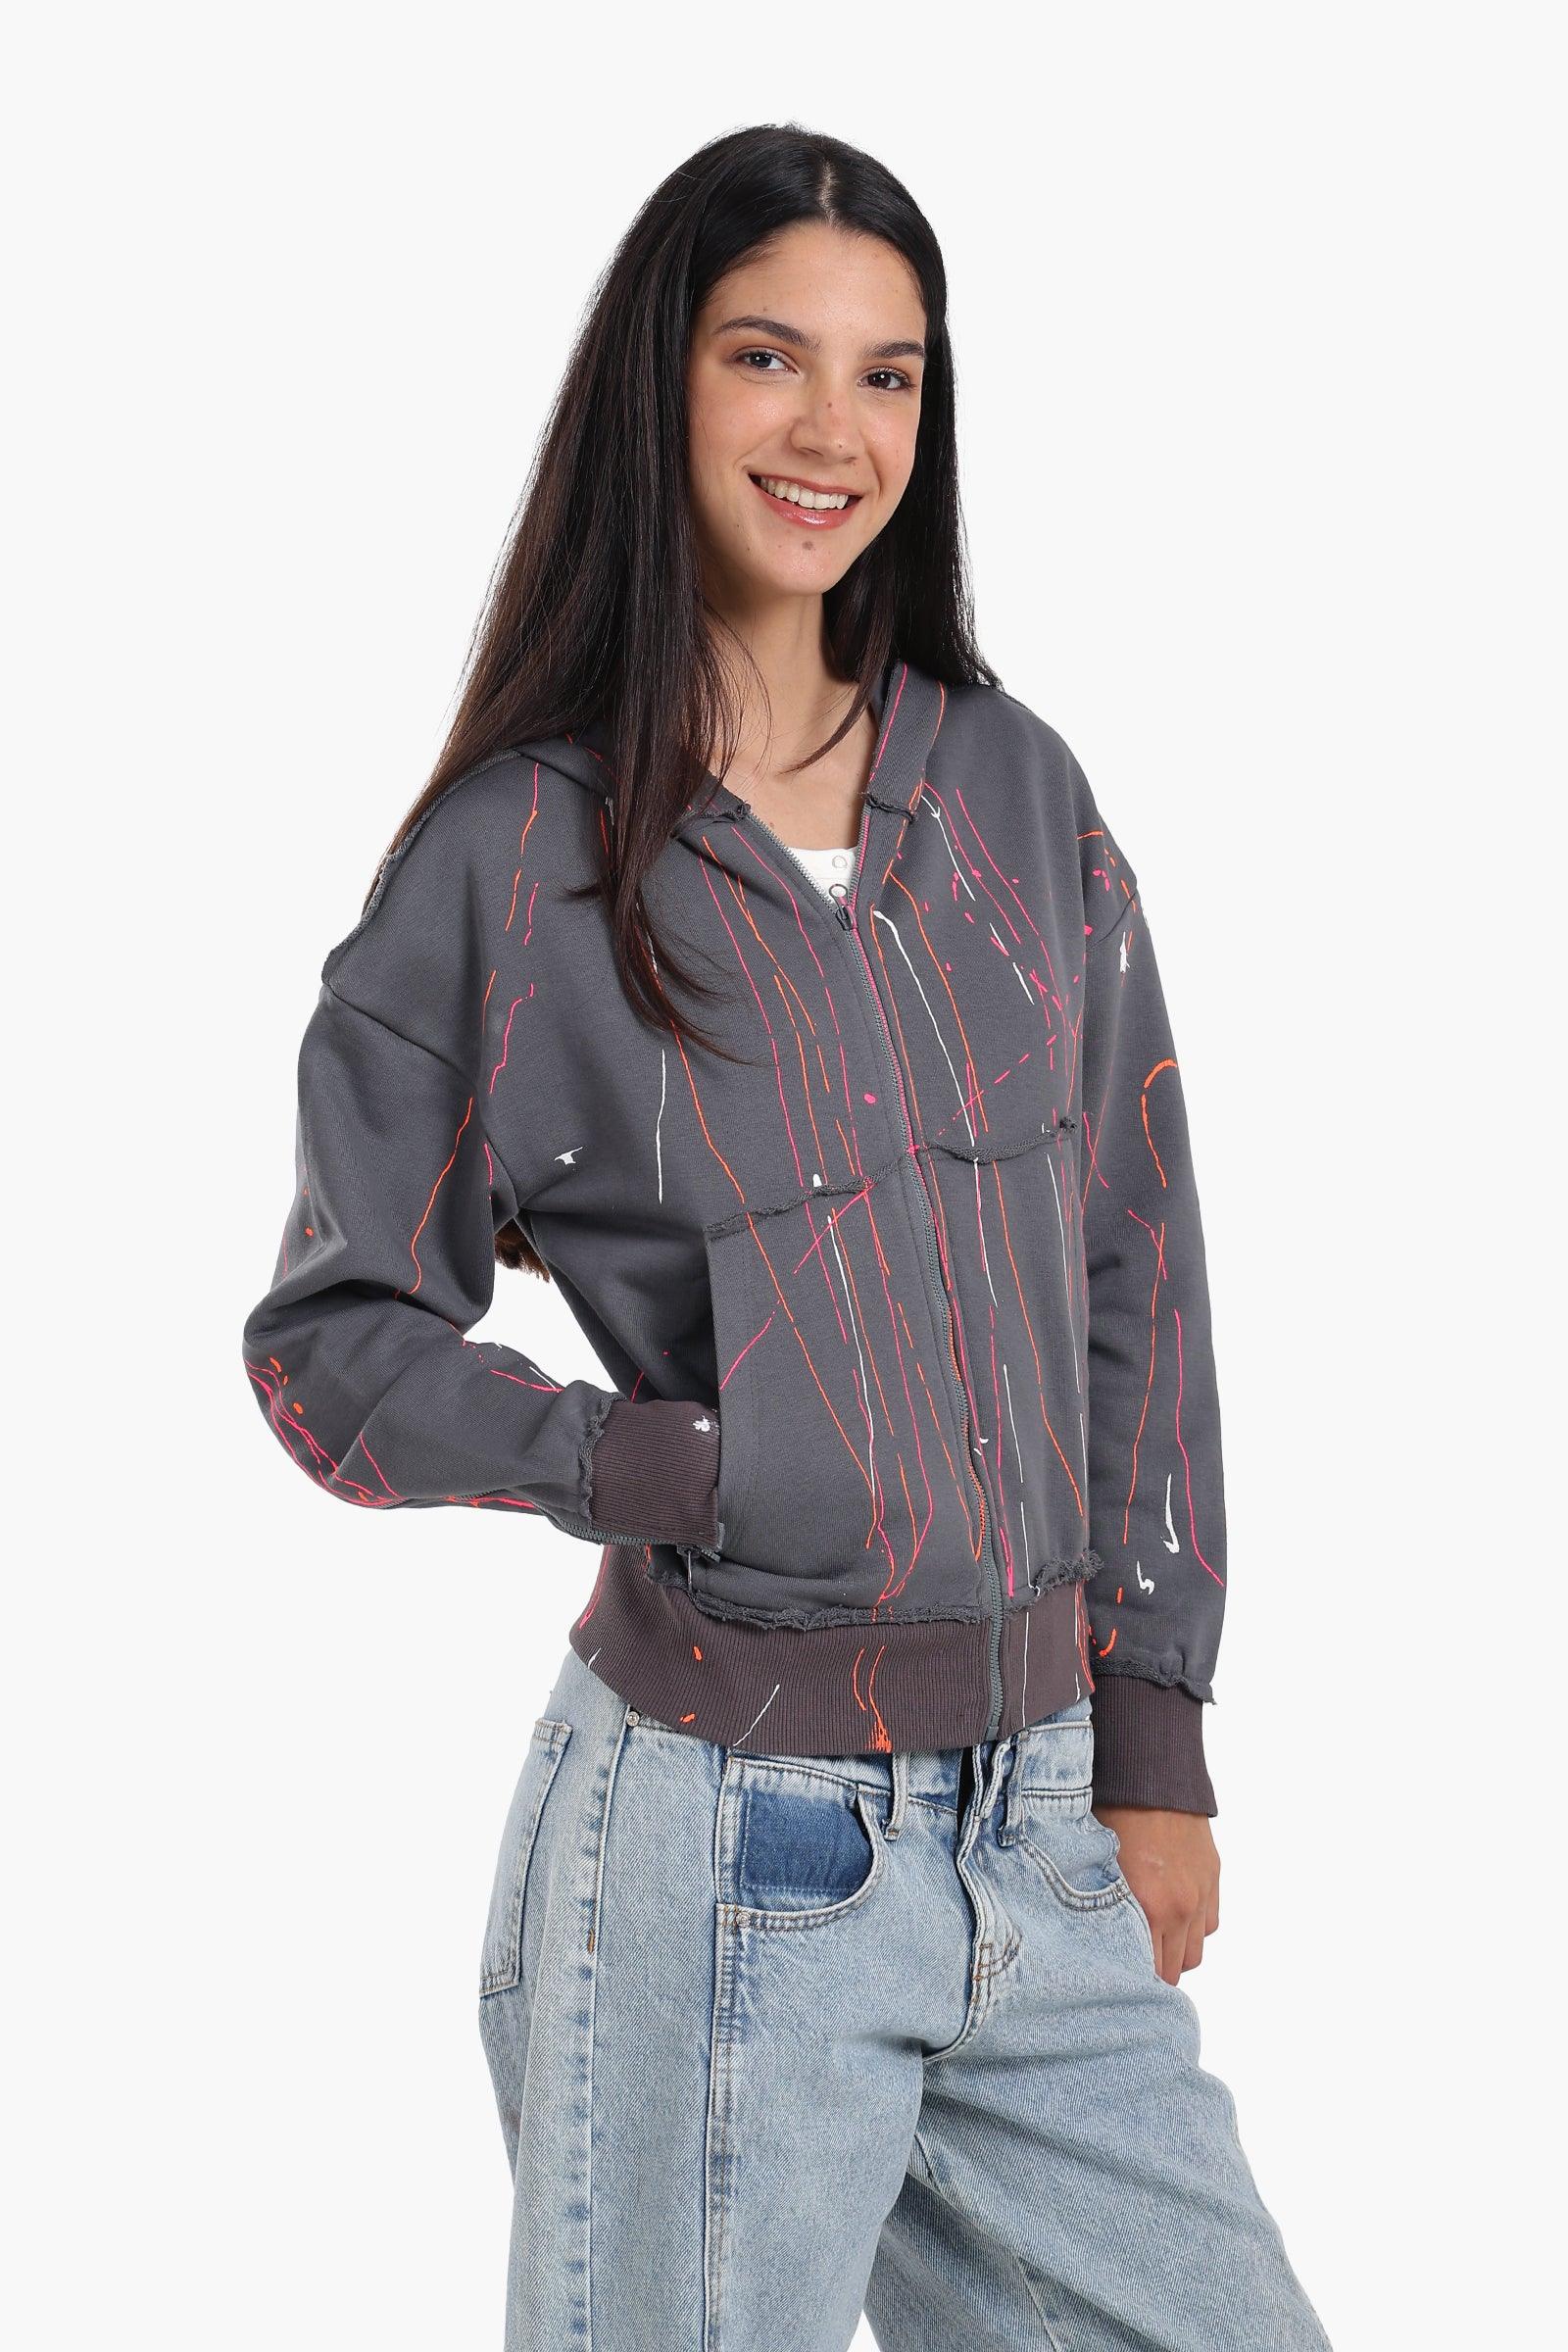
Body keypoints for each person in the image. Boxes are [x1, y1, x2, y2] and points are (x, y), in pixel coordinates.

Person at [240, 122, 1334, 2352]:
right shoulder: (512, 859)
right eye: (767, 358)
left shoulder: (1014, 794)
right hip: (716, 1848)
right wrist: (648, 1464)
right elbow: (329, 1343)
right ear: (661, 383)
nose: (833, 429)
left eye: (888, 375)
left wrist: (1154, 1727)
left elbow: (1135, 1259)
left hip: (1040, 1830)